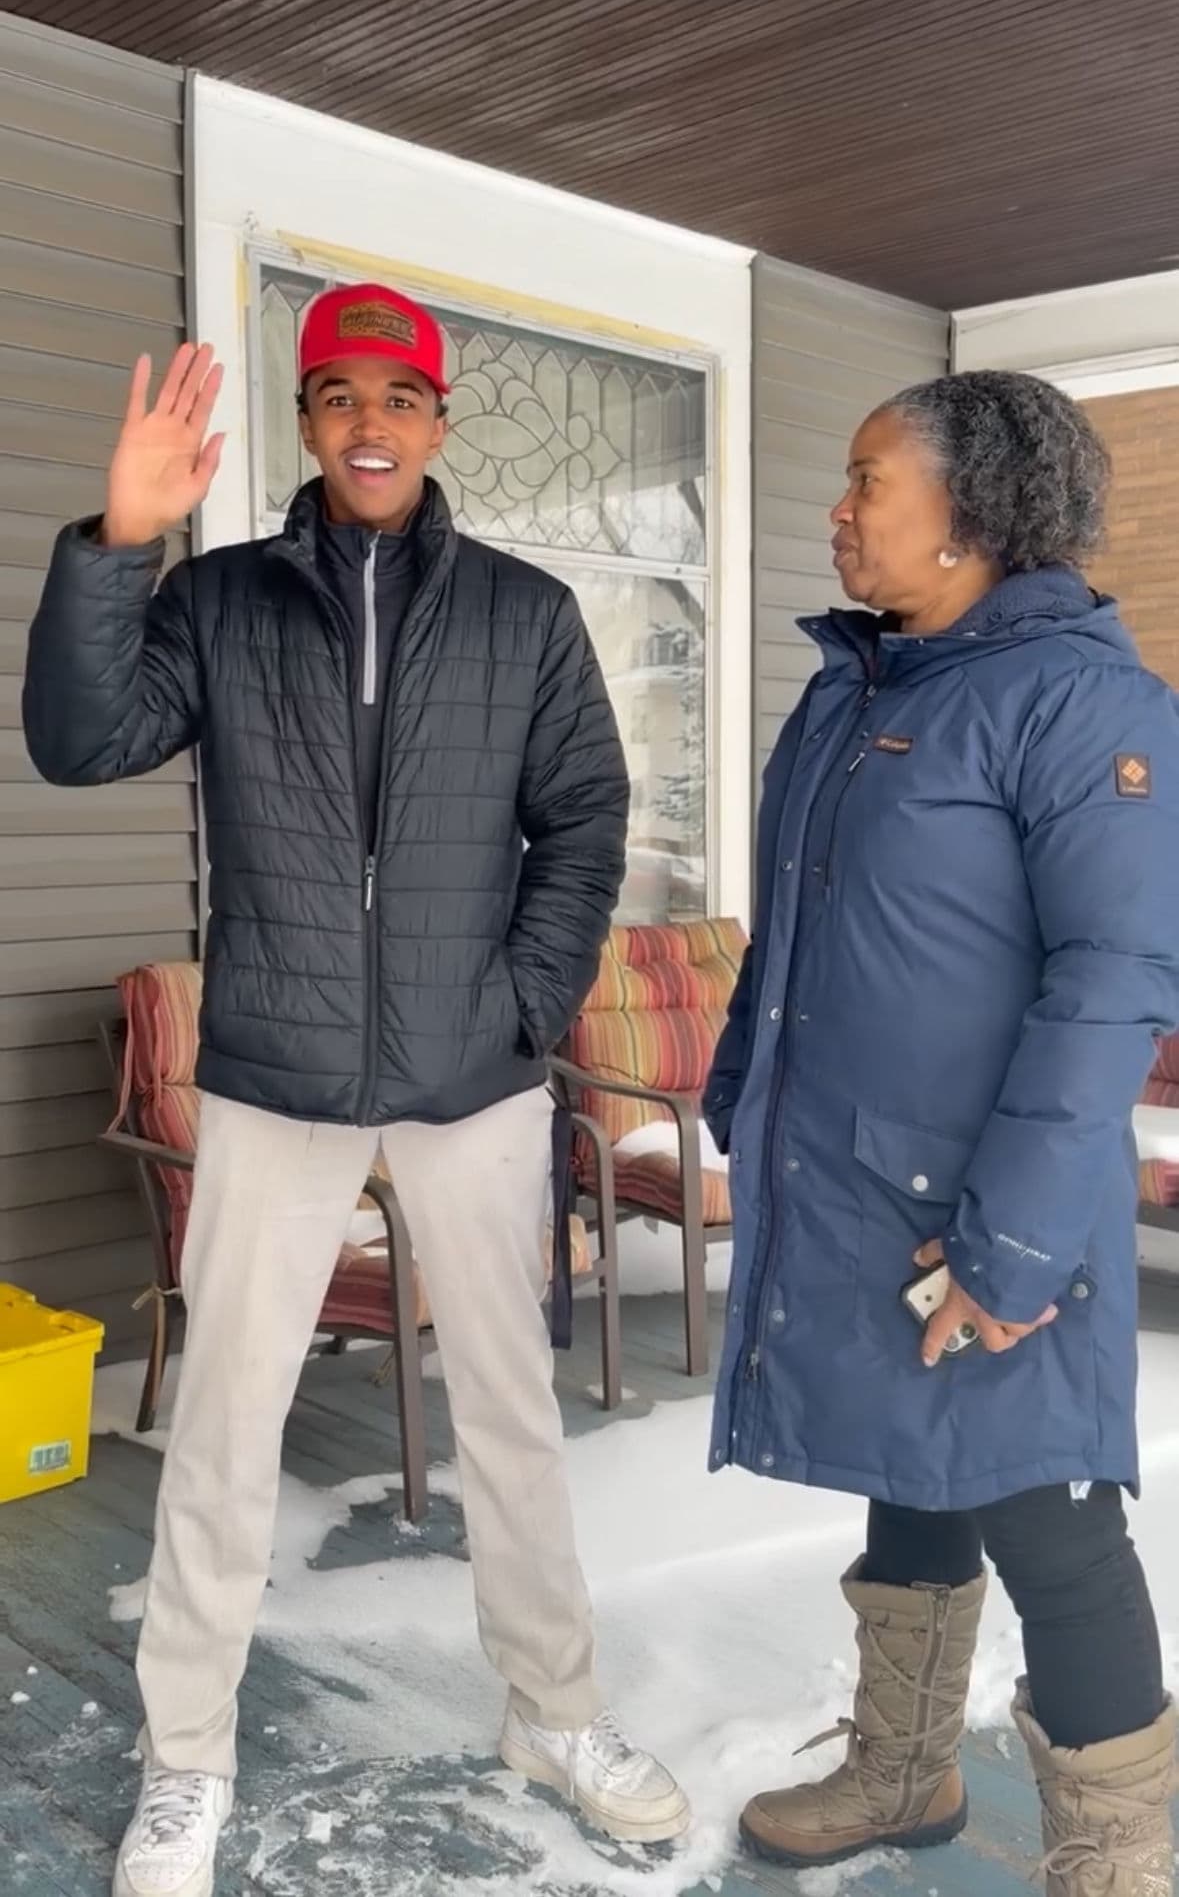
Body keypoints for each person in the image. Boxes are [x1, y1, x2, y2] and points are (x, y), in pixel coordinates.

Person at [23, 282, 689, 1897]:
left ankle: (557, 1709)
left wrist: (522, 1006)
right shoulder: (225, 600)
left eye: (399, 394)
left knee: (515, 1421)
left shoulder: (525, 614)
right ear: (306, 425)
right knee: (227, 1427)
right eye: (336, 395)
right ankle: (187, 1759)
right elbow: (77, 738)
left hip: (471, 1080)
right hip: (276, 1074)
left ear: (440, 423)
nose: (370, 421)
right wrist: (119, 545)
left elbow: (586, 820)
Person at [703, 372, 1179, 1895]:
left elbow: (1115, 982)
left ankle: (1114, 1857)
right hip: (859, 1184)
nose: (837, 512)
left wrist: (1016, 1243)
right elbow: (793, 932)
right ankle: (904, 1775)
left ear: (971, 513)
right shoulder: (861, 684)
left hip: (999, 1203)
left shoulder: (1083, 699)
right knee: (903, 1460)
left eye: (864, 481)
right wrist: (741, 1099)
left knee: (1049, 1520)